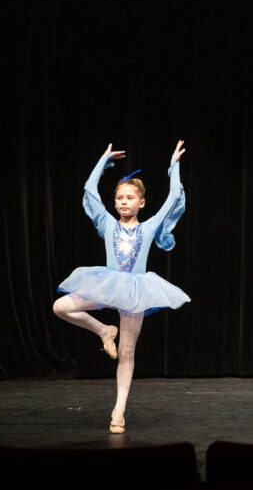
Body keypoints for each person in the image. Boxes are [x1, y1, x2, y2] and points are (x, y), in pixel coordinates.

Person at [54, 141, 190, 434]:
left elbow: (173, 197)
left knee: (127, 352)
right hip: (106, 284)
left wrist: (174, 166)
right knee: (61, 306)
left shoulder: (148, 227)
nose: (124, 202)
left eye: (129, 198)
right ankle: (104, 331)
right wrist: (103, 161)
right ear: (114, 203)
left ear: (142, 203)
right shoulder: (106, 223)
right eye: (119, 198)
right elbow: (90, 190)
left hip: (135, 292)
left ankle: (119, 410)